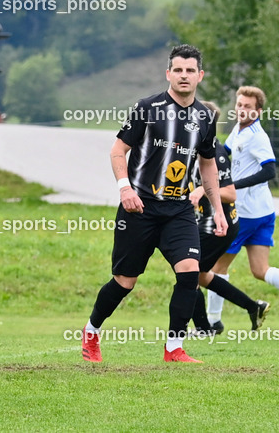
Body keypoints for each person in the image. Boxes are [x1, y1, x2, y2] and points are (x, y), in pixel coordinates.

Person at [82, 44, 227, 363]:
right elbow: (117, 151)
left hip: (178, 210)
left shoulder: (205, 117)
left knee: (190, 272)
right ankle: (91, 331)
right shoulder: (148, 108)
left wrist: (217, 209)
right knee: (125, 282)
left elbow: (208, 165)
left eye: (190, 70)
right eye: (178, 70)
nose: (184, 75)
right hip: (140, 208)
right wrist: (125, 189)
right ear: (168, 74)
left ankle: (174, 348)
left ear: (200, 76)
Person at [207, 86, 279, 331]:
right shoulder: (239, 130)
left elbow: (269, 170)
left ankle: (213, 322)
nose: (242, 110)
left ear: (258, 111)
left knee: (217, 268)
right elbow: (225, 154)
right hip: (263, 212)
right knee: (260, 270)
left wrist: (233, 185)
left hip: (245, 215)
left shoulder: (257, 136)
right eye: (239, 105)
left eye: (248, 107)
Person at [187, 101, 270, 335]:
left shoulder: (215, 151)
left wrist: (203, 190)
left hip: (219, 225)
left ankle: (204, 328)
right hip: (206, 222)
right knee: (202, 275)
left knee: (189, 272)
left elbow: (230, 193)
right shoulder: (193, 146)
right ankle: (253, 307)